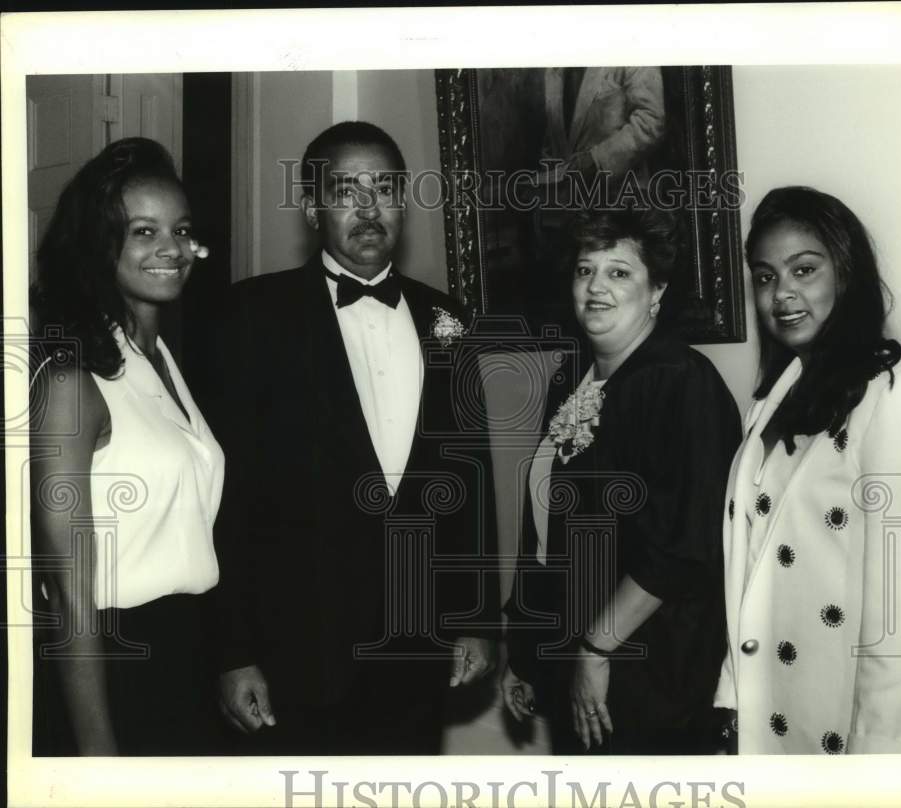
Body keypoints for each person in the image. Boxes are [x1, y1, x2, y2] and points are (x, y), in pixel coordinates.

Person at [214, 121, 499, 755]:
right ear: (313, 206)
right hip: (296, 657)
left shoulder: (445, 318)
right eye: (347, 189)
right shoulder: (252, 317)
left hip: (416, 655)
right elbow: (225, 502)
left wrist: (477, 619)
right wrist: (233, 653)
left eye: (386, 188)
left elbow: (468, 480)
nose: (369, 208)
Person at [501, 206, 741, 754]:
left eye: (619, 272)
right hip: (574, 661)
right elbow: (544, 534)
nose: (596, 287)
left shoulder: (681, 381)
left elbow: (685, 543)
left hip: (646, 668)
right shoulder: (572, 380)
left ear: (656, 290)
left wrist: (596, 649)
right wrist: (524, 653)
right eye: (585, 270)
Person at [713, 186, 901, 754]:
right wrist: (731, 704)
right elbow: (749, 573)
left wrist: (877, 771)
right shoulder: (769, 399)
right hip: (768, 716)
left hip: (841, 722)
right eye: (764, 277)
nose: (781, 294)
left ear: (844, 272)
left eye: (803, 270)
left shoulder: (898, 394)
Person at [29, 137, 224, 756]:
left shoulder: (162, 360)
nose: (173, 248)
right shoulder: (71, 381)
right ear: (98, 245)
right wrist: (98, 756)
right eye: (144, 231)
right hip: (116, 665)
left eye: (182, 229)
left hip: (186, 659)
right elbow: (68, 595)